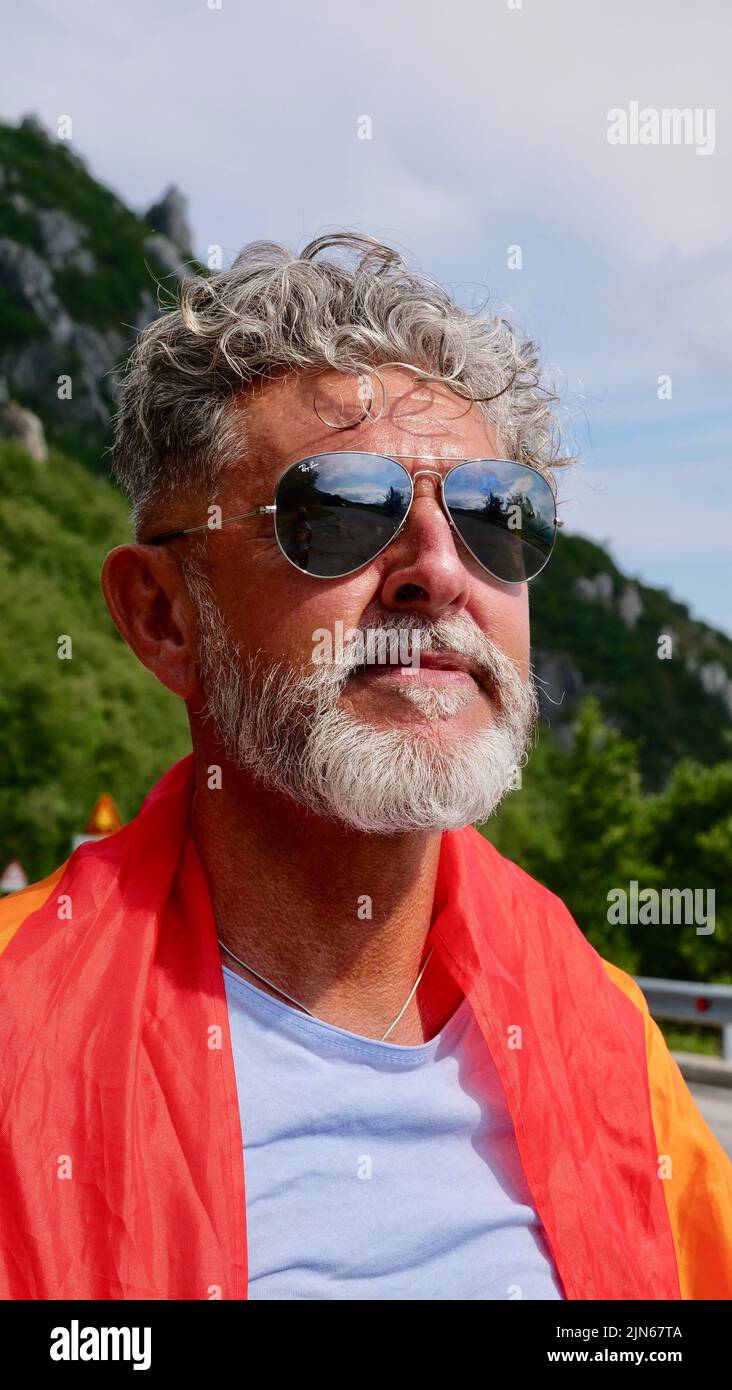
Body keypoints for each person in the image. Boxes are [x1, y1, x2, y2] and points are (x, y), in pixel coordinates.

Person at [1, 233, 730, 1301]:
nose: (438, 569)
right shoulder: (19, 1031)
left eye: (494, 514)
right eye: (337, 511)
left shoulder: (610, 1037)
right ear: (164, 617)